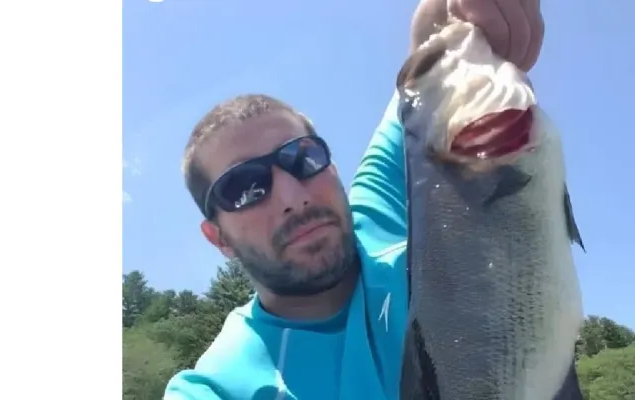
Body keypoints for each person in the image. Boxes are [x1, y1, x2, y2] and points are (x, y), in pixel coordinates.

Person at [162, 0, 567, 399]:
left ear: (332, 169)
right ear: (219, 239)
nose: (291, 195)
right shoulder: (213, 389)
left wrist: (452, 12)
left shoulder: (375, 209)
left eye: (302, 158)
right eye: (245, 188)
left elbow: (428, 75)